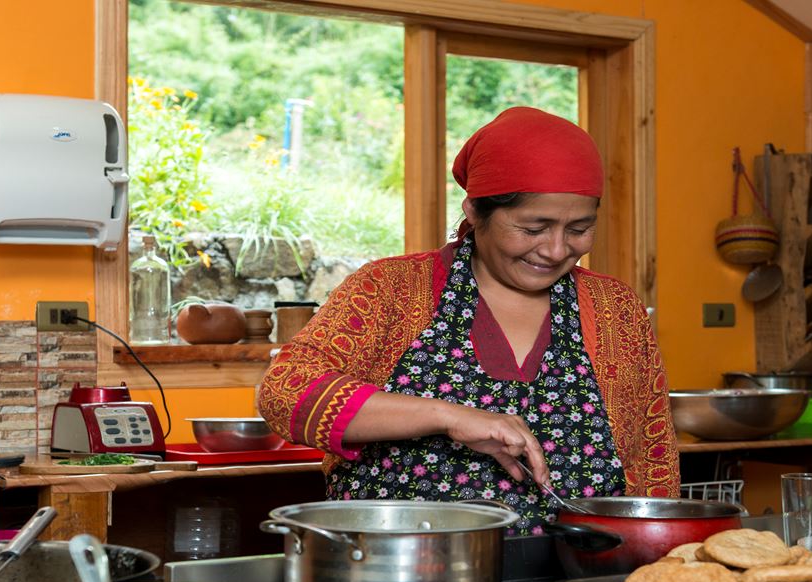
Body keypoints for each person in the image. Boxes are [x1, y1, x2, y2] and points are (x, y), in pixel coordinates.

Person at [258, 106, 679, 535]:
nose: (556, 250)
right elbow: (284, 393)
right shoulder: (391, 289)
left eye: (579, 228)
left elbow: (652, 456)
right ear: (475, 213)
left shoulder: (616, 309)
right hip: (396, 573)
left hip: (576, 576)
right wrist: (449, 416)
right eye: (534, 228)